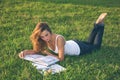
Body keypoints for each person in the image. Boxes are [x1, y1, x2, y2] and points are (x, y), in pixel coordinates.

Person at [19, 13, 107, 61]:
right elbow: (37, 51)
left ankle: (100, 25)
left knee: (96, 47)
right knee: (90, 43)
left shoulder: (59, 39)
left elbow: (61, 58)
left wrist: (48, 53)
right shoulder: (44, 40)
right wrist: (26, 52)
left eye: (46, 35)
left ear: (50, 32)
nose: (46, 38)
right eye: (42, 37)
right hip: (73, 43)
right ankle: (97, 25)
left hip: (79, 49)